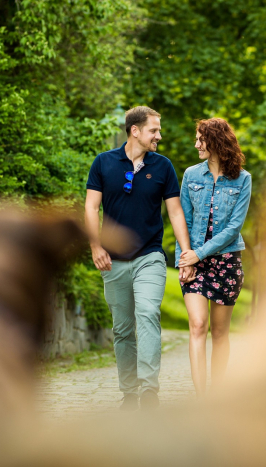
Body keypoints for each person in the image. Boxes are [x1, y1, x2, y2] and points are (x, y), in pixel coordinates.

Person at [85, 106, 195, 411]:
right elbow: (91, 208)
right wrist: (96, 247)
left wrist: (185, 253)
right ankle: (129, 392)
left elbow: (174, 211)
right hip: (113, 261)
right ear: (135, 131)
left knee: (147, 314)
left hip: (150, 256)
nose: (159, 135)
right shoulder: (104, 163)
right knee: (122, 328)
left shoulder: (163, 167)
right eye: (154, 130)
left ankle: (149, 390)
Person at [176, 118, 252, 397]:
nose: (196, 144)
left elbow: (234, 228)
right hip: (193, 260)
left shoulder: (243, 179)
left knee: (219, 333)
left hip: (226, 261)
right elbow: (181, 220)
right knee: (197, 325)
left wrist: (199, 254)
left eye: (200, 139)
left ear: (216, 141)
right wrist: (184, 260)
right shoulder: (191, 175)